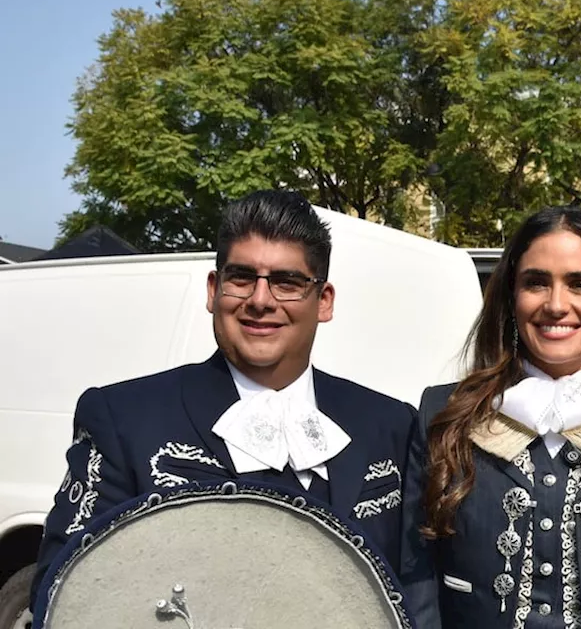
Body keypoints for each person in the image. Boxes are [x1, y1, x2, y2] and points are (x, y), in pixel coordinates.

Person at [31, 190, 415, 610]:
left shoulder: (391, 424)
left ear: (323, 302)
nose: (261, 300)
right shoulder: (123, 419)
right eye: (242, 277)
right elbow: (66, 591)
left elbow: (416, 593)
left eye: (288, 282)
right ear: (214, 291)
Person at [399, 206, 581, 629]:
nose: (557, 305)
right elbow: (416, 581)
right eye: (536, 283)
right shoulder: (443, 415)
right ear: (512, 297)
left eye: (580, 284)